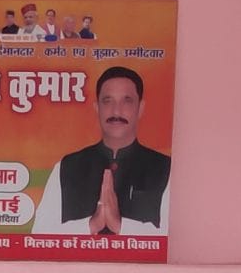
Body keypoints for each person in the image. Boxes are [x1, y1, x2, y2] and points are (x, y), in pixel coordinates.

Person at [29, 64, 171, 239]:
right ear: (97, 108)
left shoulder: (165, 168)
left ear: (140, 108)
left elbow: (173, 237)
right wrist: (91, 224)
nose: (116, 111)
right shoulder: (67, 167)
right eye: (107, 101)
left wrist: (120, 225)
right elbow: (39, 235)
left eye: (127, 101)